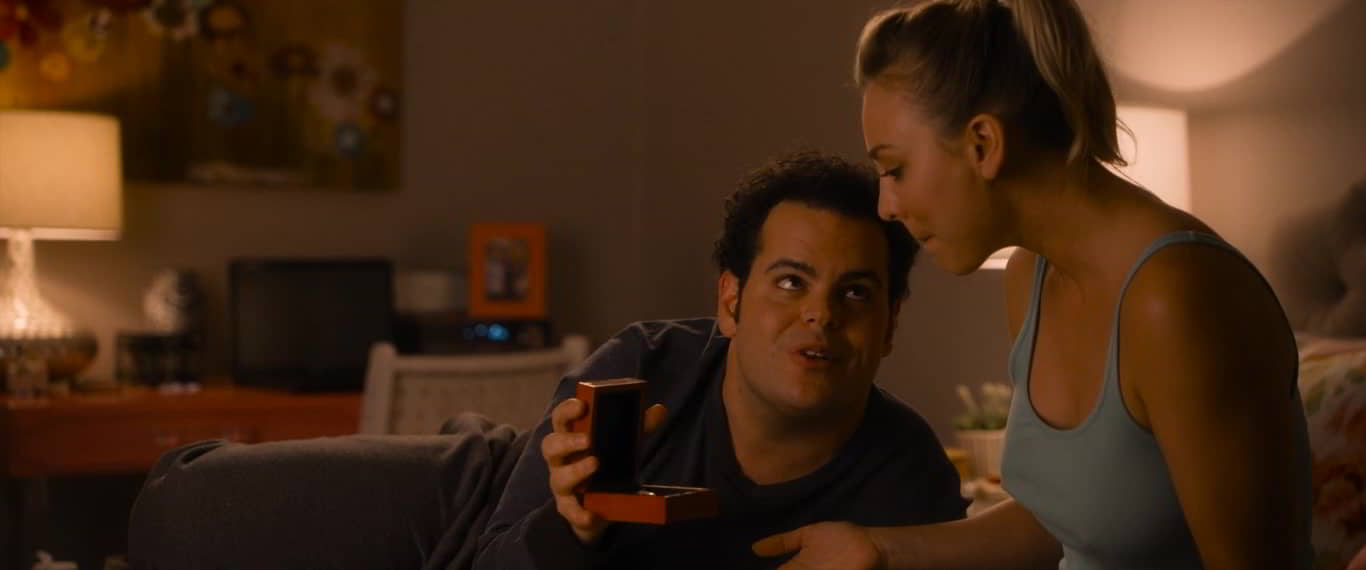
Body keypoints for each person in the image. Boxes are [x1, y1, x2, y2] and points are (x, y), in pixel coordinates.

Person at [754, 1, 1313, 569]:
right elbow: (1063, 522)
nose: (886, 206)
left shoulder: (1177, 295)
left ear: (983, 144)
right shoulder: (1031, 275)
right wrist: (877, 547)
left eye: (895, 169)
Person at [473, 151, 968, 569]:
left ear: (890, 324)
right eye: (791, 282)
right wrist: (571, 527)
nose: (821, 314)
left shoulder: (912, 475)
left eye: (856, 292)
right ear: (731, 302)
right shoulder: (642, 373)